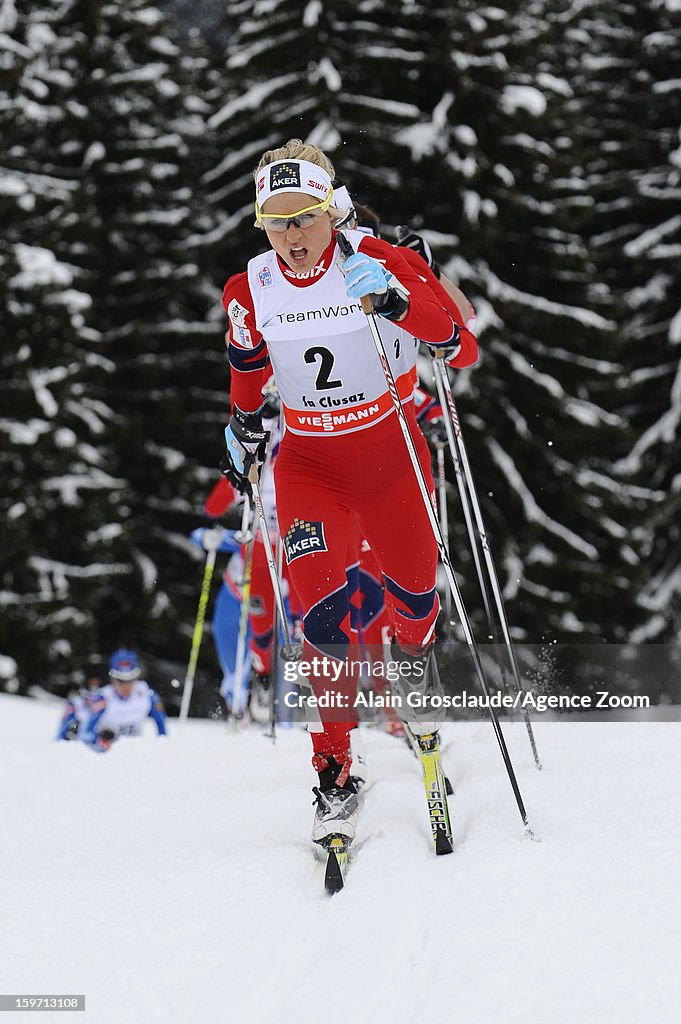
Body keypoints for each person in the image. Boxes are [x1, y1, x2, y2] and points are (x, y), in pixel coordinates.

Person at [220, 139, 478, 849]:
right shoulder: (248, 289)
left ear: (329, 211)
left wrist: (398, 297)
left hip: (393, 456)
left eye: (304, 217)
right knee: (321, 617)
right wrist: (241, 424)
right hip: (309, 466)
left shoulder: (376, 259)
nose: (293, 237)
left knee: (414, 604)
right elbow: (246, 366)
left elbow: (460, 345)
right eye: (276, 222)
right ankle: (334, 772)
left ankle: (416, 696)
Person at [80, 649, 167, 752]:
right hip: (107, 756)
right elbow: (85, 734)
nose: (126, 686)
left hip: (134, 752)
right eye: (121, 681)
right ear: (112, 678)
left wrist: (161, 746)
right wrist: (99, 742)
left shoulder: (146, 693)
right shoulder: (103, 698)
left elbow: (161, 724)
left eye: (130, 680)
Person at [55, 669, 104, 741]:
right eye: (92, 681)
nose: (94, 684)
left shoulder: (103, 698)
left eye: (96, 682)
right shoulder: (76, 702)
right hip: (75, 737)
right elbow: (66, 721)